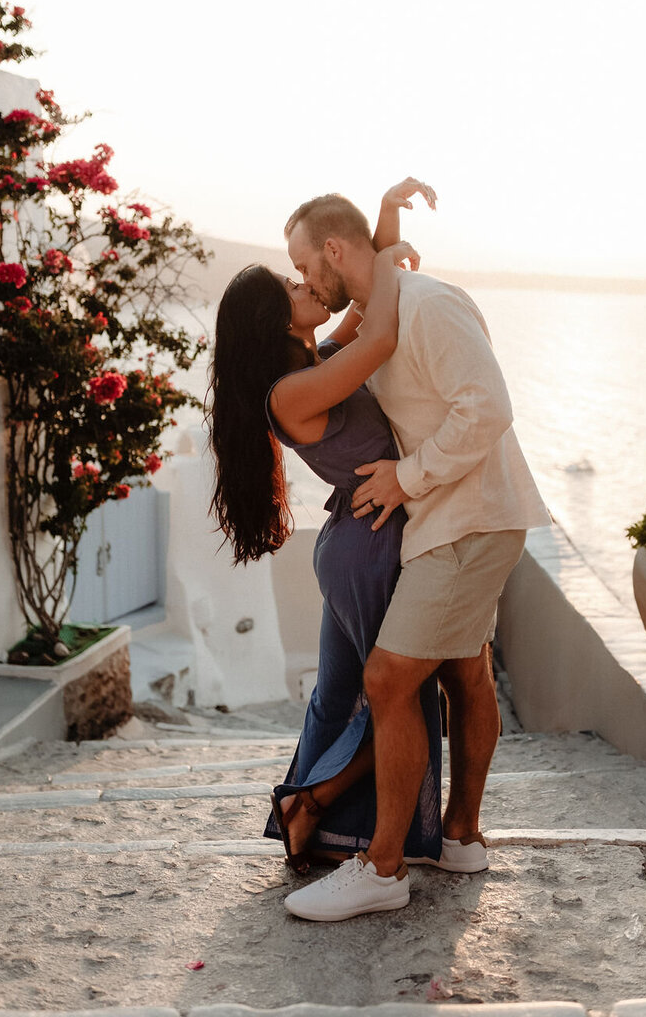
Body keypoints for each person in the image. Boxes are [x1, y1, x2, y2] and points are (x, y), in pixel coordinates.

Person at [282, 191, 551, 921]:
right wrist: (390, 240)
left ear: (335, 252)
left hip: (469, 521)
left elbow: (488, 406)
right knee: (466, 672)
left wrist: (407, 476)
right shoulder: (388, 314)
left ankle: (383, 867)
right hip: (445, 521)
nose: (303, 279)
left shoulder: (428, 307)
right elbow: (368, 337)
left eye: (305, 264)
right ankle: (460, 837)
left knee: (389, 679)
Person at [207, 179, 443, 877]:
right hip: (366, 549)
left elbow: (357, 295)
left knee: (342, 698)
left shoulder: (309, 361)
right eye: (292, 282)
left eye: (301, 270)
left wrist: (388, 216)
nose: (306, 282)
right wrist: (394, 254)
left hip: (354, 542)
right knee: (396, 697)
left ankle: (309, 816)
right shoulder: (297, 389)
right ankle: (317, 802)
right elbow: (384, 330)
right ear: (275, 321)